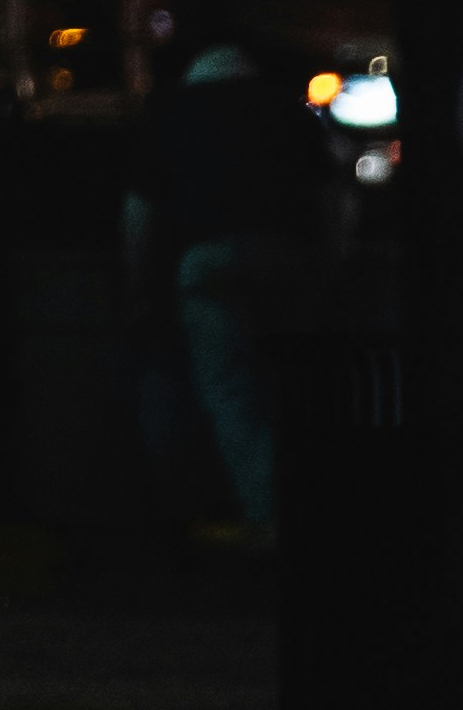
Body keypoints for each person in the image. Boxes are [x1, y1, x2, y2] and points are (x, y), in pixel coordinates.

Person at [122, 34, 336, 544]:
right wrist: (327, 269)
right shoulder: (288, 112)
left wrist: (139, 288)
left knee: (231, 390)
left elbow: (139, 214)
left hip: (206, 262)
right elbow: (336, 200)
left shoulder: (171, 114)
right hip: (288, 256)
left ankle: (269, 515)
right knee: (298, 384)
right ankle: (317, 507)